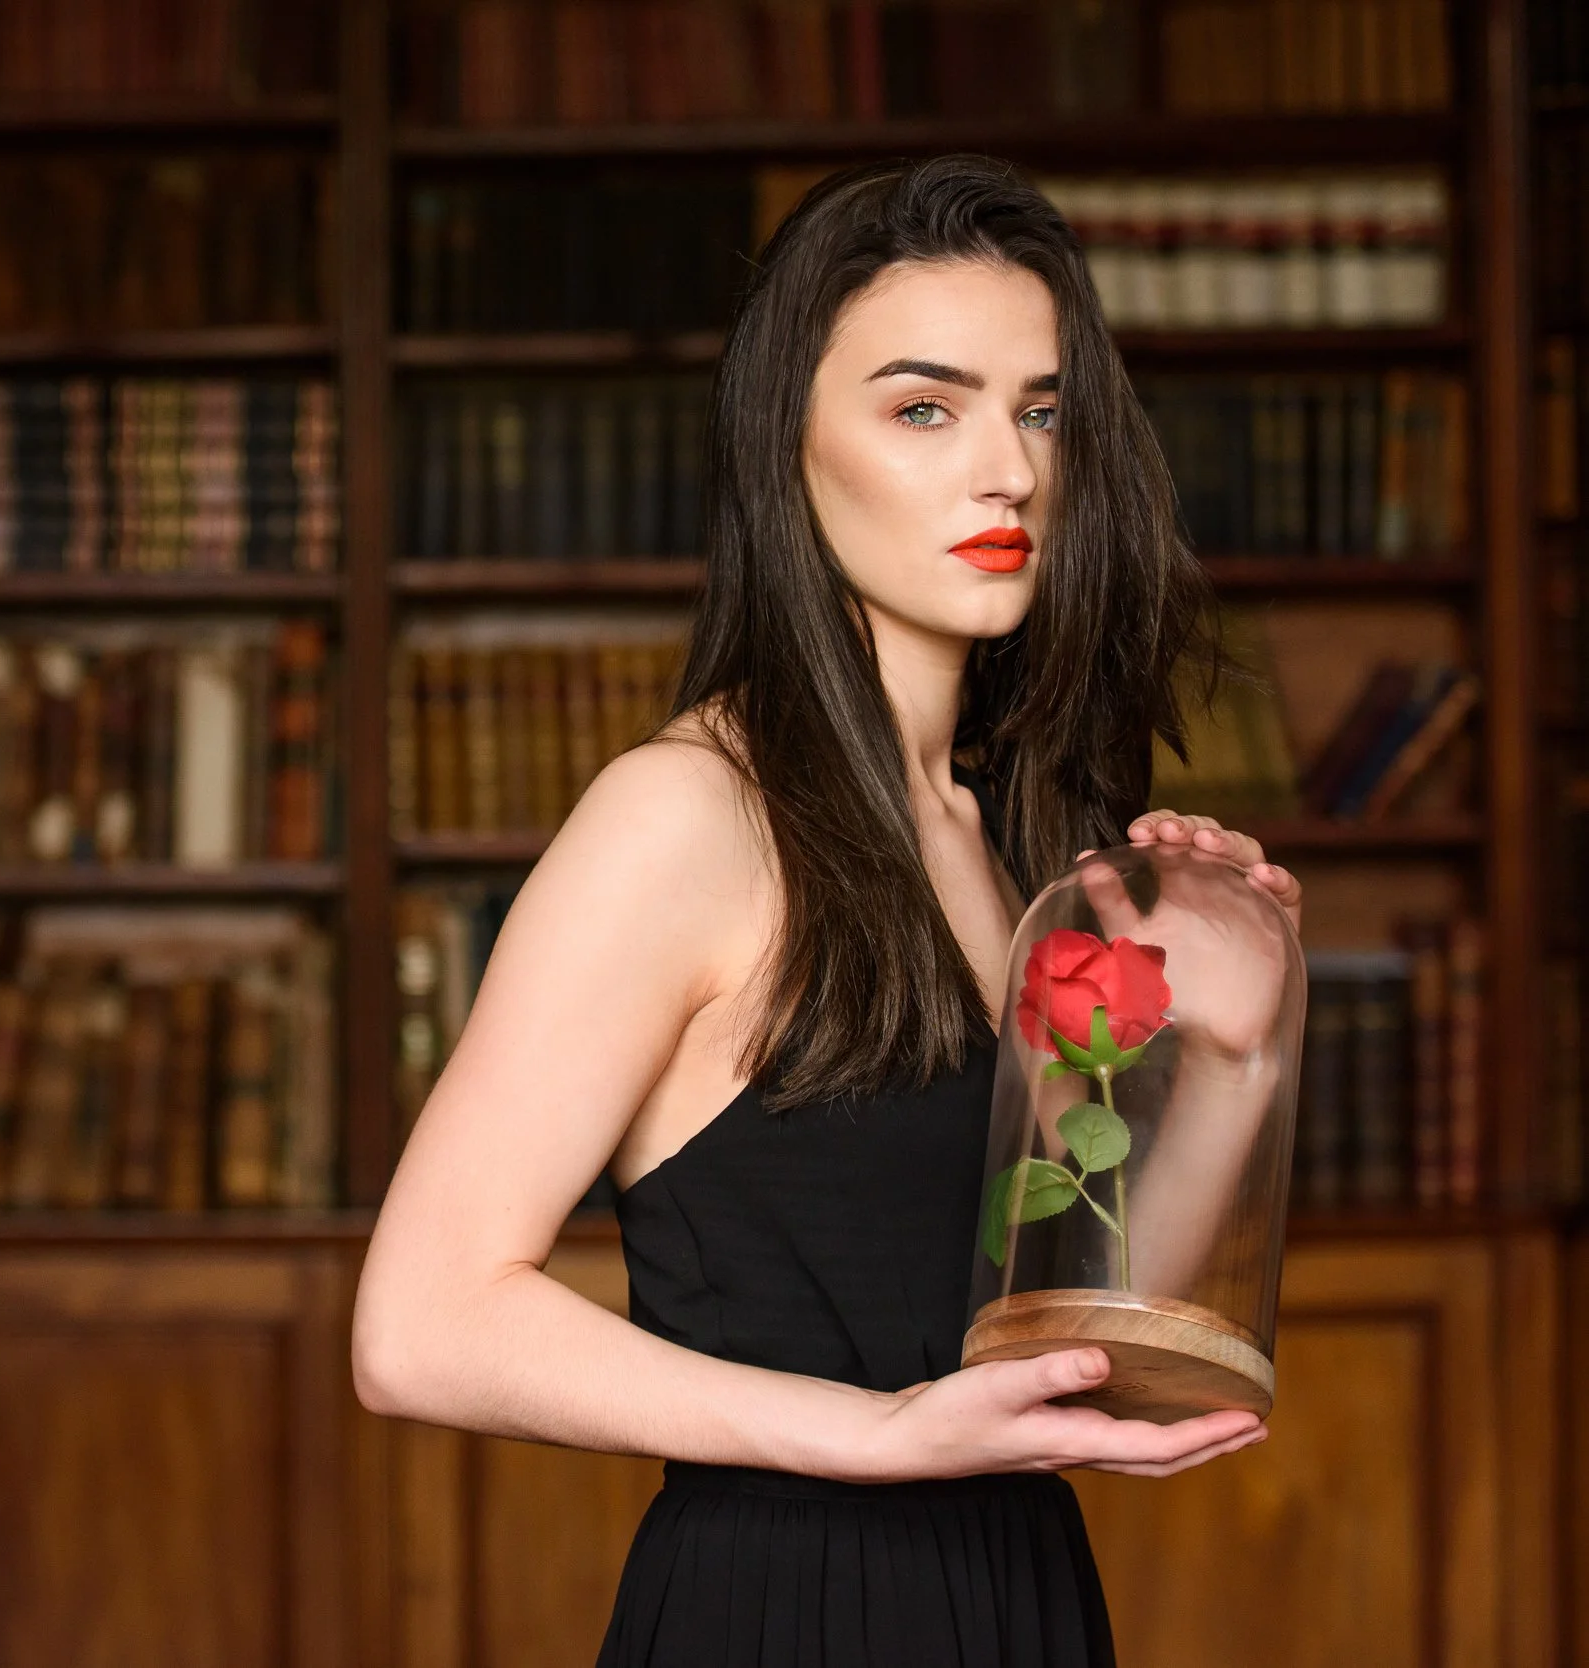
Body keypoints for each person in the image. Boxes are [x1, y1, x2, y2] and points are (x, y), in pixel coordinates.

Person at [350, 153, 1305, 1667]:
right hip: (789, 1603)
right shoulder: (687, 816)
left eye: (1040, 408)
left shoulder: (1021, 842)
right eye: (924, 407)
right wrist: (879, 1436)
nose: (1008, 468)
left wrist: (1237, 1040)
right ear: (784, 444)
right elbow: (420, 1328)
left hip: (1016, 1597)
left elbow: (1073, 1348)